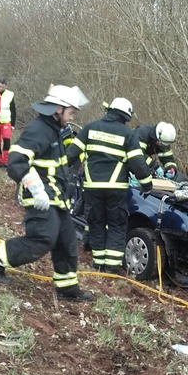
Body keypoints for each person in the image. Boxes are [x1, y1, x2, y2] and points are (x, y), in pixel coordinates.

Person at [0, 84, 94, 301]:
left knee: (66, 242)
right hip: (41, 198)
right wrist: (36, 188)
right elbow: (16, 161)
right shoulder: (38, 130)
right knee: (42, 239)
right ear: (59, 109)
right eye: (71, 112)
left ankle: (67, 288)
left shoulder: (54, 130)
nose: (71, 118)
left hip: (57, 198)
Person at [66, 97, 153, 273]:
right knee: (116, 224)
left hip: (92, 188)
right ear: (126, 116)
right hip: (116, 189)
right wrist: (147, 184)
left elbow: (70, 154)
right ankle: (112, 266)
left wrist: (57, 172)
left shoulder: (90, 128)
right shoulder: (127, 134)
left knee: (96, 222)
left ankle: (98, 262)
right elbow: (138, 163)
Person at [0, 78, 16, 166]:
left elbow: (13, 109)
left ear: (5, 86)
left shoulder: (10, 94)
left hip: (6, 121)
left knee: (7, 140)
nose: (0, 88)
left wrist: (13, 124)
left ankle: (6, 159)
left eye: (2, 87)